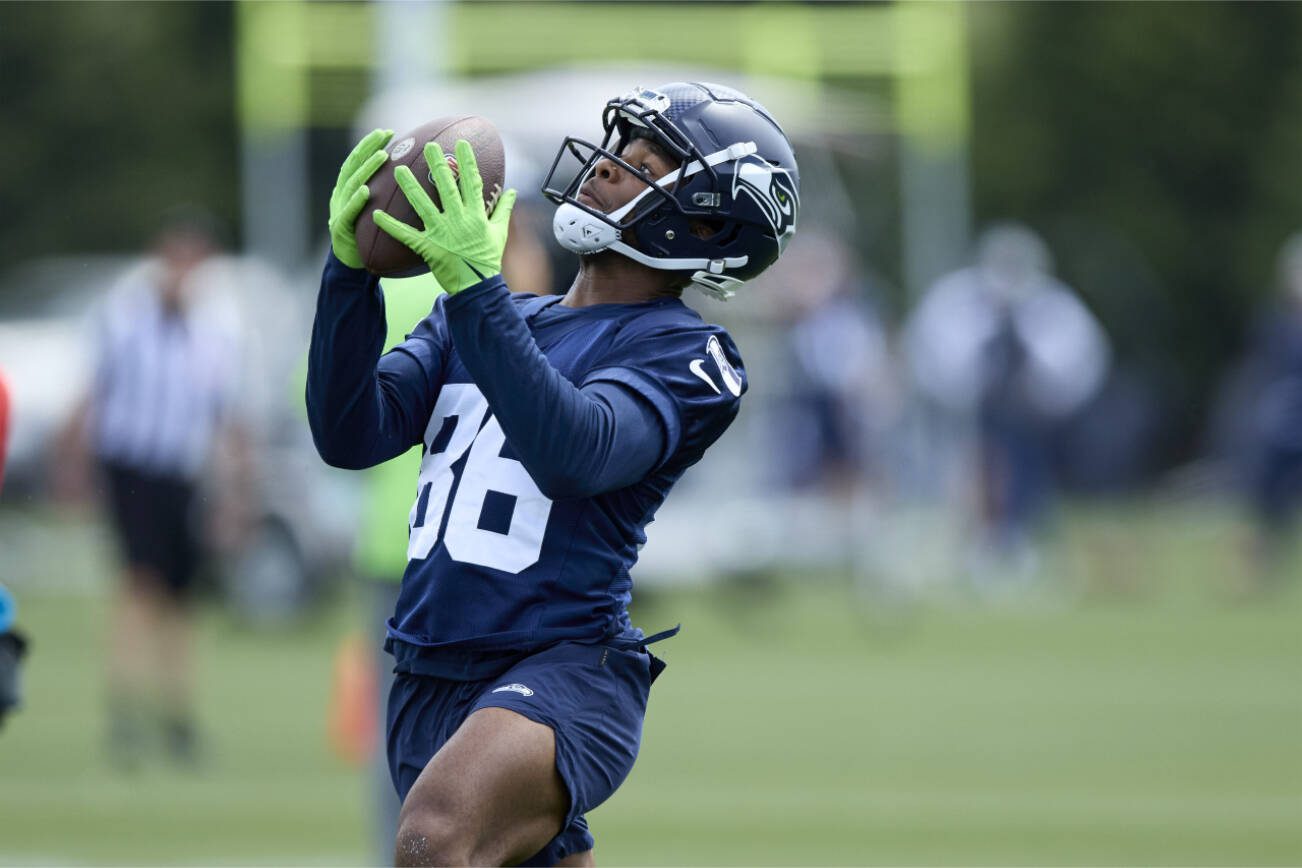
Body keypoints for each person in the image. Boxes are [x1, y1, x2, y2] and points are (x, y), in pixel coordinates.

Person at [307, 82, 798, 866]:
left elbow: (577, 452)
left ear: (702, 221)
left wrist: (478, 290)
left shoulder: (689, 354)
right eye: (618, 150)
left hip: (563, 667)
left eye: (642, 164)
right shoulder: (481, 320)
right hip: (427, 669)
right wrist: (348, 279)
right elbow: (350, 433)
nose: (607, 167)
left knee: (433, 840)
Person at [64, 210, 246, 767]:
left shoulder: (215, 331)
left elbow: (228, 417)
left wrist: (237, 491)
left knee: (180, 599)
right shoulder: (125, 319)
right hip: (131, 466)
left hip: (180, 474)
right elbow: (92, 397)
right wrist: (71, 467)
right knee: (140, 586)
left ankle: (176, 713)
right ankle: (126, 707)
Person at [904, 224, 1109, 579]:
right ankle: (977, 539)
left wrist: (1042, 396)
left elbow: (1079, 366)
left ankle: (1016, 538)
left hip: (1034, 422)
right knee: (975, 469)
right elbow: (932, 356)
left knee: (1022, 473)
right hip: (968, 418)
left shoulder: (1056, 308)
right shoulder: (955, 300)